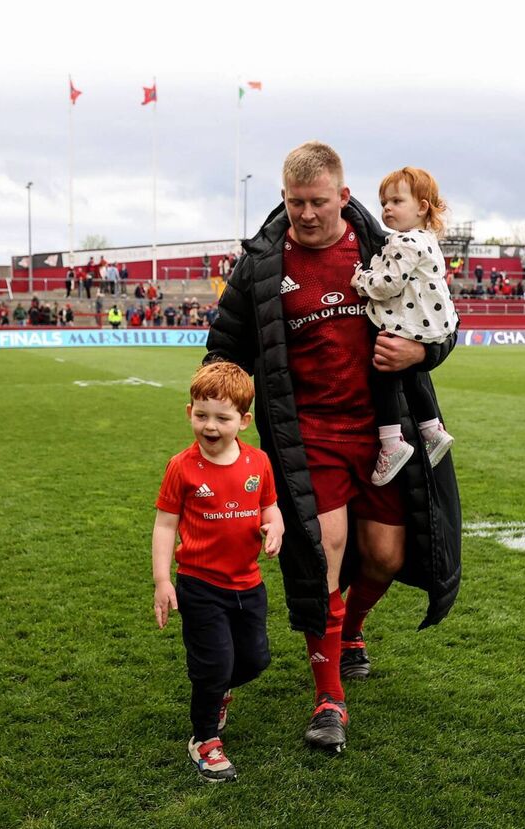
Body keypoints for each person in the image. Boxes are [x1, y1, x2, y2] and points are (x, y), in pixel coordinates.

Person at [206, 140, 461, 753]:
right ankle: (329, 700)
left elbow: (443, 319)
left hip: (384, 432)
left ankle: (351, 632)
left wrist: (422, 352)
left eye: (318, 202)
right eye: (295, 203)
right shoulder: (261, 266)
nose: (306, 214)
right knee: (324, 555)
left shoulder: (385, 247)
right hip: (307, 436)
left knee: (386, 557)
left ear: (343, 198)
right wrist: (216, 404)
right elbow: (225, 344)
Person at [152, 362, 283, 784]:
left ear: (243, 421)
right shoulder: (182, 466)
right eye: (201, 415)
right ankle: (204, 739)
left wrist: (275, 524)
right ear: (189, 411)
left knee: (256, 659)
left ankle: (220, 692)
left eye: (222, 418)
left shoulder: (258, 462)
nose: (210, 426)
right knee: (213, 664)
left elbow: (270, 505)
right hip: (200, 585)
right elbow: (165, 525)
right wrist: (162, 580)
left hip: (248, 584)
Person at [350, 167, 458, 485]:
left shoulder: (406, 241)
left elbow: (388, 284)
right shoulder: (426, 239)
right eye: (384, 201)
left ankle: (392, 443)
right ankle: (432, 430)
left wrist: (360, 280)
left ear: (422, 207)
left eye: (397, 200)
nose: (387, 208)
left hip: (410, 320)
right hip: (431, 320)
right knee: (411, 375)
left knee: (382, 373)